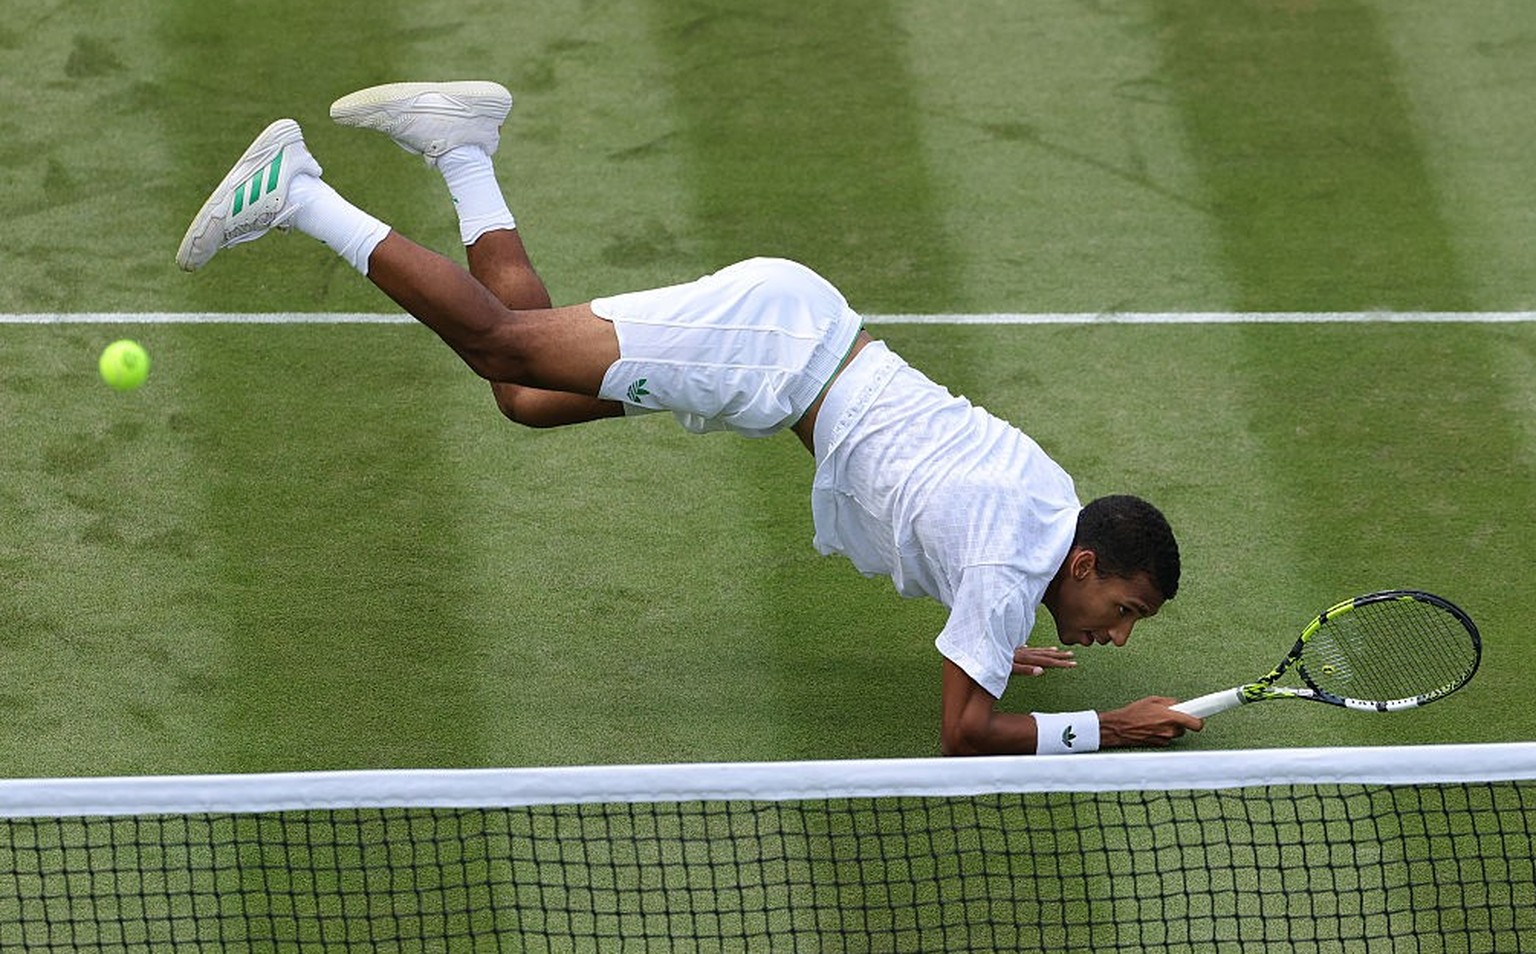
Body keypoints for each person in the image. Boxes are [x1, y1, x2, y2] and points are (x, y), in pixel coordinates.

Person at [177, 81, 1204, 756]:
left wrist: (989, 626)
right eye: (1127, 609)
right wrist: (1111, 726)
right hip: (774, 348)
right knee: (504, 344)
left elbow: (952, 530)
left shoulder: (1044, 522)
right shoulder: (1004, 561)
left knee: (526, 396)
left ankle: (462, 146)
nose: (1116, 634)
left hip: (790, 353)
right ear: (1084, 565)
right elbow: (963, 732)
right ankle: (299, 191)